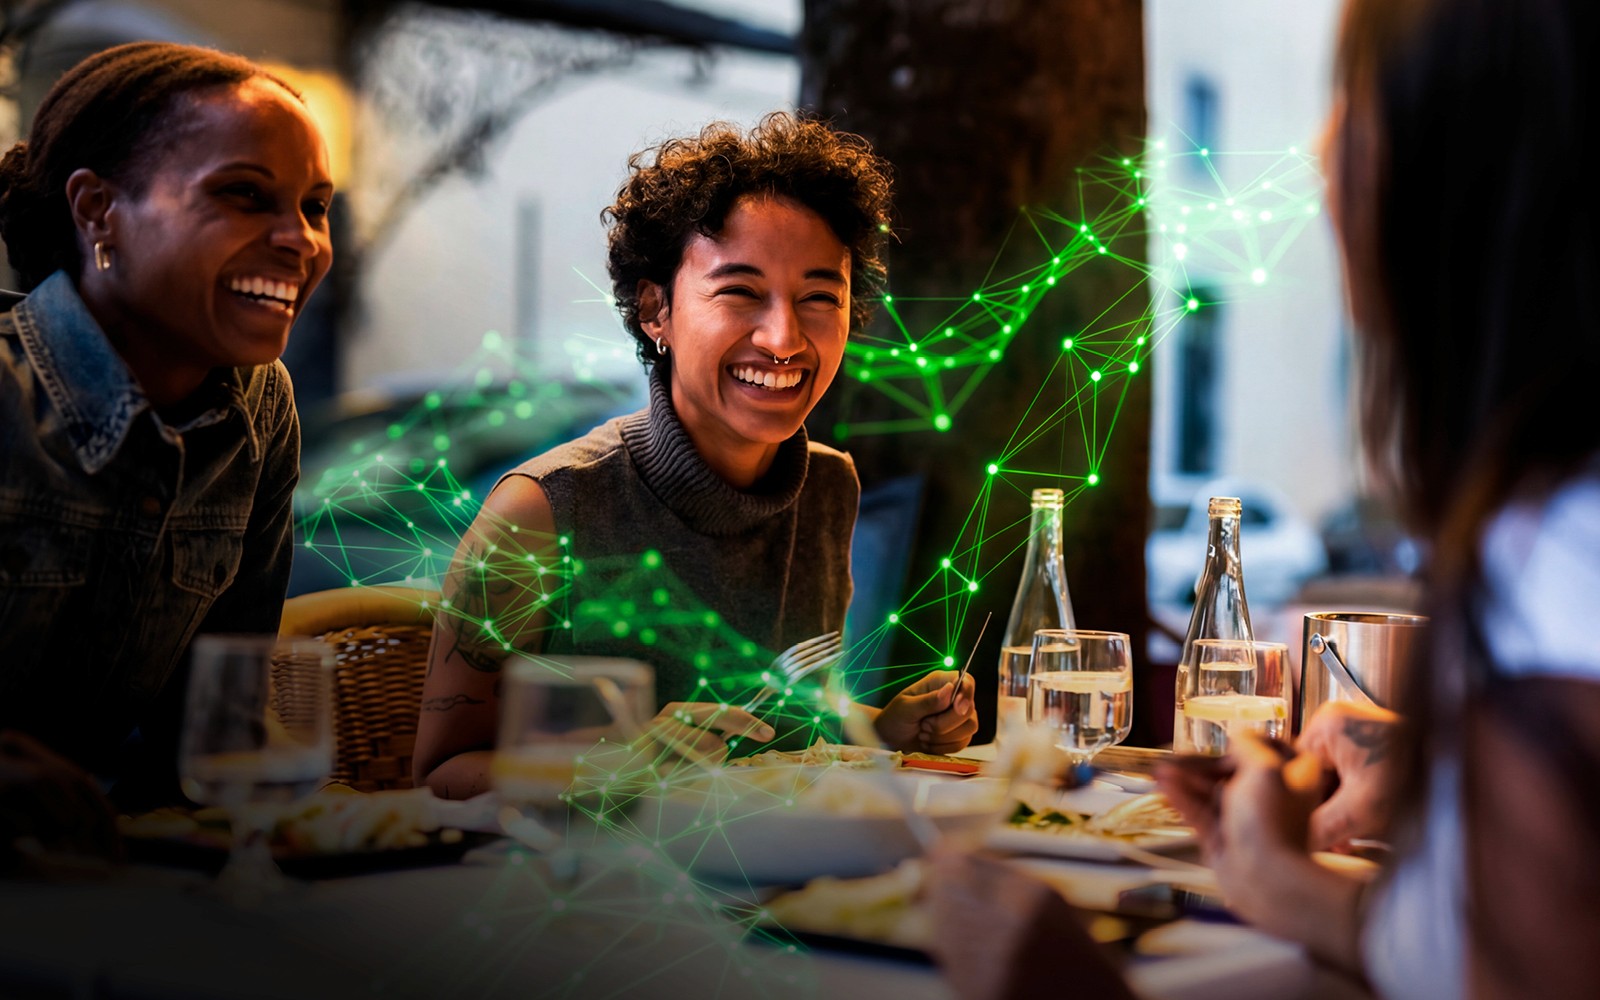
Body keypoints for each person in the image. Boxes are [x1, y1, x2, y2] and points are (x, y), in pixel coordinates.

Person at [930, 0, 1600, 995]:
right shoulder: (1541, 525)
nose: (1321, 150)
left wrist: (1072, 985)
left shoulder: (1559, 568)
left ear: (1467, 163)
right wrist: (1290, 879)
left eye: (1354, 99)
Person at [416, 113, 978, 799]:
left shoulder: (828, 486)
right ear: (656, 309)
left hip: (773, 860)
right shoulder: (545, 507)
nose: (783, 338)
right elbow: (439, 774)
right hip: (580, 866)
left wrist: (885, 731)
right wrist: (617, 769)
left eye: (819, 296)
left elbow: (784, 736)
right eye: (740, 291)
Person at [0, 42, 335, 846]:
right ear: (97, 210)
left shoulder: (262, 407)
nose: (301, 240)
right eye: (244, 193)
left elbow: (215, 731)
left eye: (316, 207)